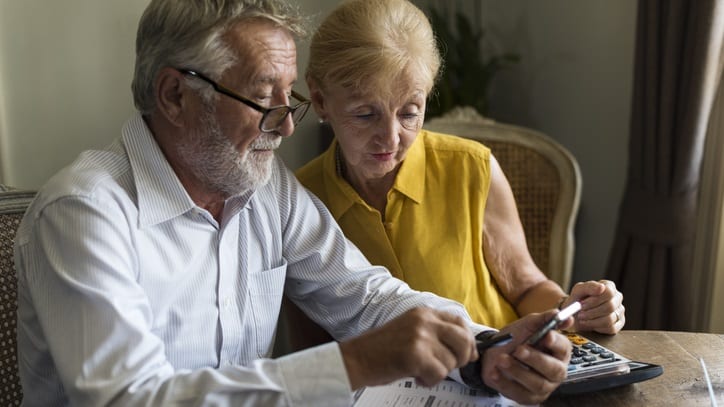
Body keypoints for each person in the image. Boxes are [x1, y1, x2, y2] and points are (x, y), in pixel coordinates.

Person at [14, 0, 572, 405]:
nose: (284, 127)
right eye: (262, 100)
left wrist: (487, 347)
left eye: (290, 100)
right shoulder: (85, 213)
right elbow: (128, 400)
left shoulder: (264, 186)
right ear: (175, 95)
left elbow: (366, 295)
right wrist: (355, 362)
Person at [295, 0, 625, 337]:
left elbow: (527, 288)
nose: (390, 138)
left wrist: (574, 312)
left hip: (498, 373)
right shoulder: (298, 201)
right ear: (321, 100)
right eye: (365, 114)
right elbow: (311, 345)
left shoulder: (472, 169)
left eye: (409, 113)